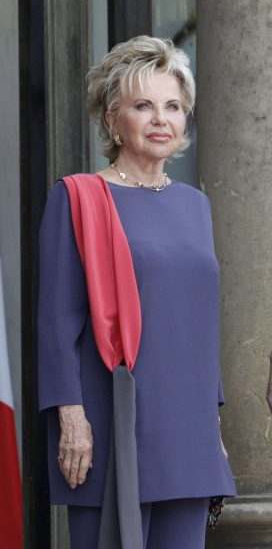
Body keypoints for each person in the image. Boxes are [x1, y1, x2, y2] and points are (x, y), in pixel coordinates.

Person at [38, 35, 236, 549]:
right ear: (111, 117)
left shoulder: (196, 206)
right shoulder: (78, 197)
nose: (160, 119)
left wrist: (212, 428)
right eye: (143, 106)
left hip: (188, 426)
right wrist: (71, 418)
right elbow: (57, 321)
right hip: (111, 420)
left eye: (173, 107)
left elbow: (200, 326)